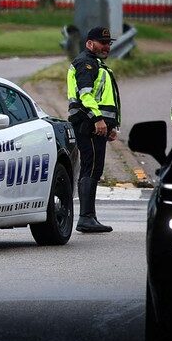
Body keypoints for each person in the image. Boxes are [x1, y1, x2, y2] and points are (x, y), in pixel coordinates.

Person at [65, 26, 120, 233]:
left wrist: (111, 125)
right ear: (89, 43)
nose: (106, 47)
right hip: (89, 123)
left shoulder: (95, 63)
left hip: (95, 124)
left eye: (108, 43)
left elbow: (102, 97)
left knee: (94, 168)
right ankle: (86, 217)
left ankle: (89, 216)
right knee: (91, 168)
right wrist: (98, 119)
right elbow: (85, 95)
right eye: (102, 43)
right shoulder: (86, 63)